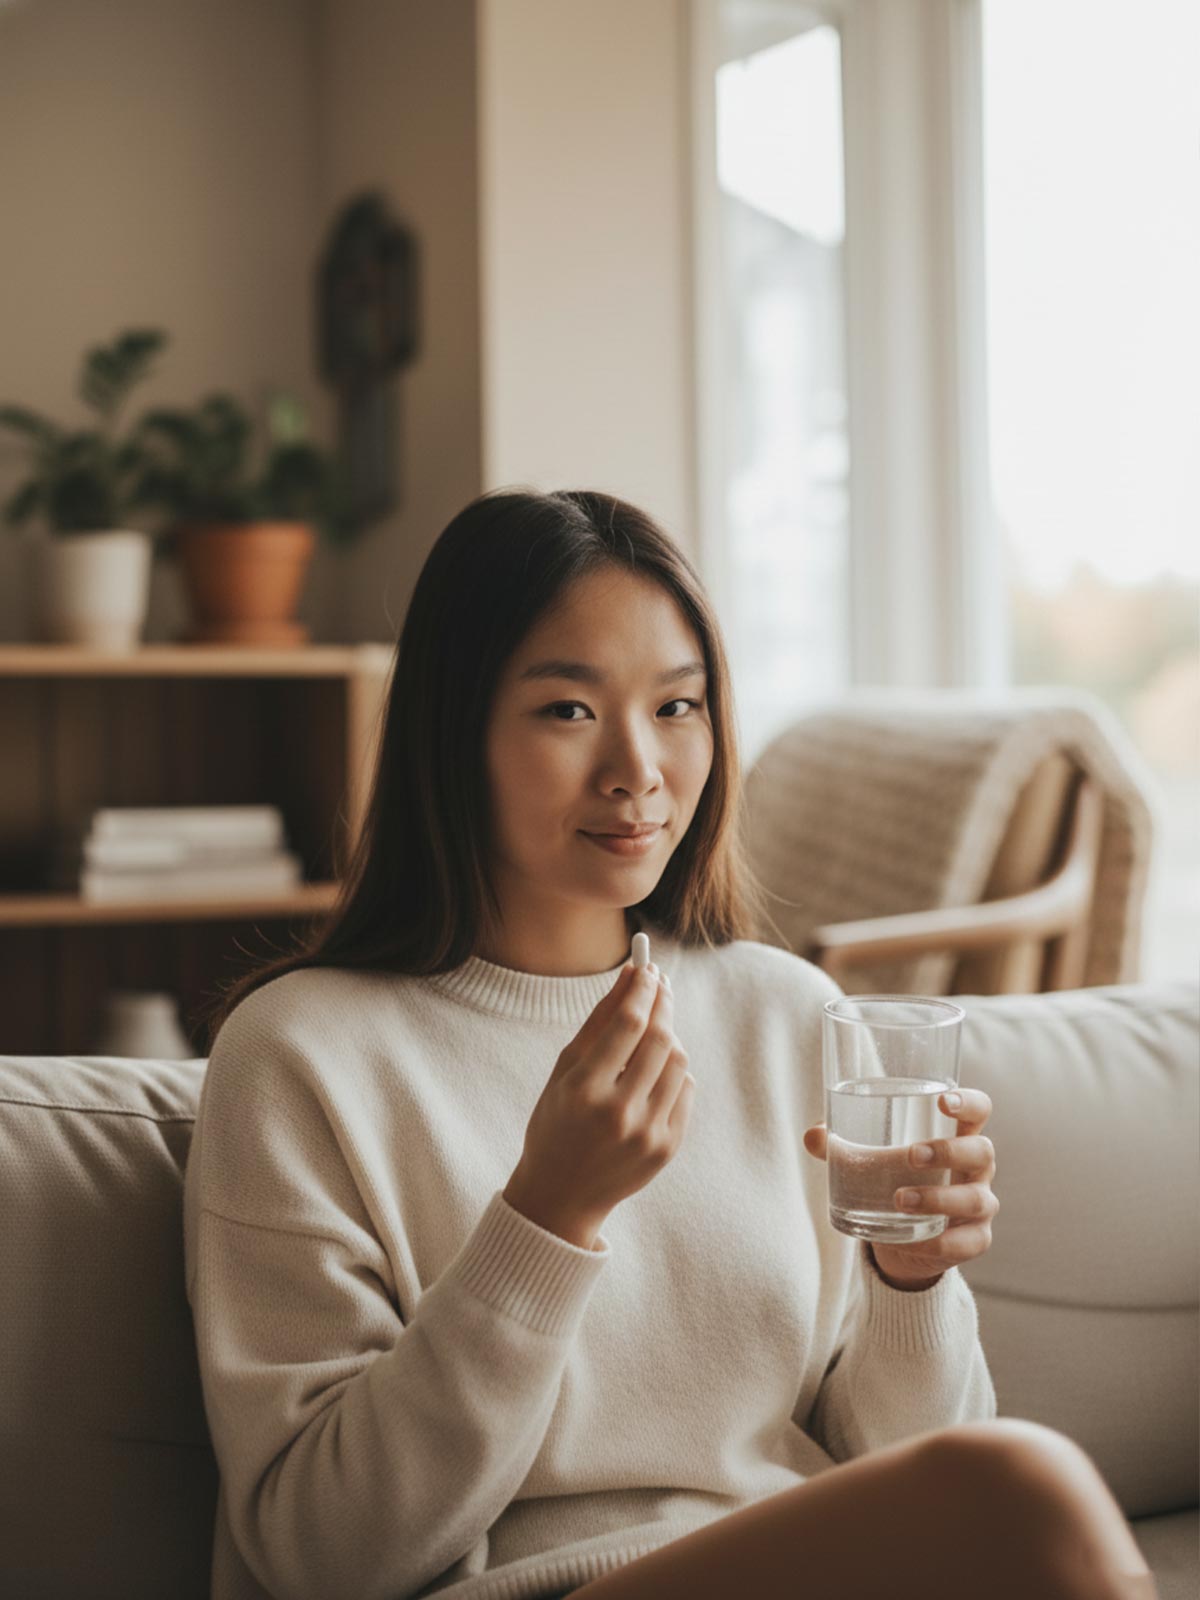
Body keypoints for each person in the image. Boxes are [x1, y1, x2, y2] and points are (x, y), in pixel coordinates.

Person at [183, 488, 1157, 1600]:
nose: (638, 769)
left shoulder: (784, 1014)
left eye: (679, 706)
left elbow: (908, 1472)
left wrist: (910, 1276)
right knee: (1027, 1488)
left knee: (1007, 1494)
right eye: (567, 710)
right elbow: (322, 1555)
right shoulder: (300, 1056)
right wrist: (544, 1218)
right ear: (453, 731)